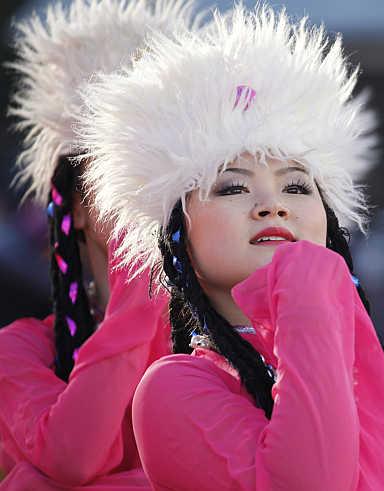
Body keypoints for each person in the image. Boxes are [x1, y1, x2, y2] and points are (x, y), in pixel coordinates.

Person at [79, 4, 384, 490]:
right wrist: (308, 283)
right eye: (232, 188)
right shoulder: (172, 389)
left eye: (297, 187)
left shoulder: (374, 368)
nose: (273, 206)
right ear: (178, 239)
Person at [0, 0, 203, 488]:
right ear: (75, 206)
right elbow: (74, 456)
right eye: (122, 171)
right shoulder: (21, 351)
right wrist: (140, 272)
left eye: (169, 175)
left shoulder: (231, 341)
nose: (150, 195)